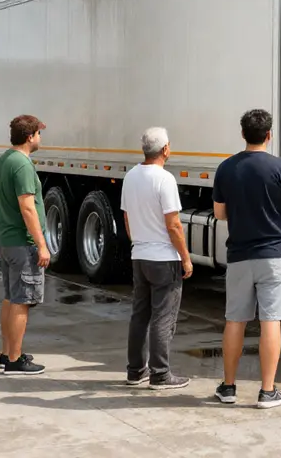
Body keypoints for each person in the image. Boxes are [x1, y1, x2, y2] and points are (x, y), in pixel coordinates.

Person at [212, 109, 281, 409]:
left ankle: (228, 388)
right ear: (269, 135)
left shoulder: (226, 168)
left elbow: (219, 213)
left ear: (243, 135)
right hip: (273, 256)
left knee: (234, 321)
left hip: (239, 255)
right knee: (270, 321)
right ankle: (267, 392)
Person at [121, 127, 193, 389]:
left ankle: (135, 371)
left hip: (139, 256)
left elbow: (127, 217)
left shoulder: (130, 177)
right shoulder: (165, 180)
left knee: (139, 314)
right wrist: (185, 258)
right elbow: (173, 224)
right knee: (163, 317)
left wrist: (138, 243)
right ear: (165, 150)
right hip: (163, 258)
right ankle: (160, 374)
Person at [0, 114, 49, 376]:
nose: (40, 138)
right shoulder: (22, 165)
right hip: (21, 242)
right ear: (30, 137)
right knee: (22, 302)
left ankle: (6, 354)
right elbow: (28, 207)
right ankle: (15, 360)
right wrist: (42, 244)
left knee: (10, 298)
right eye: (39, 133)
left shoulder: (4, 160)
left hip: (5, 240)